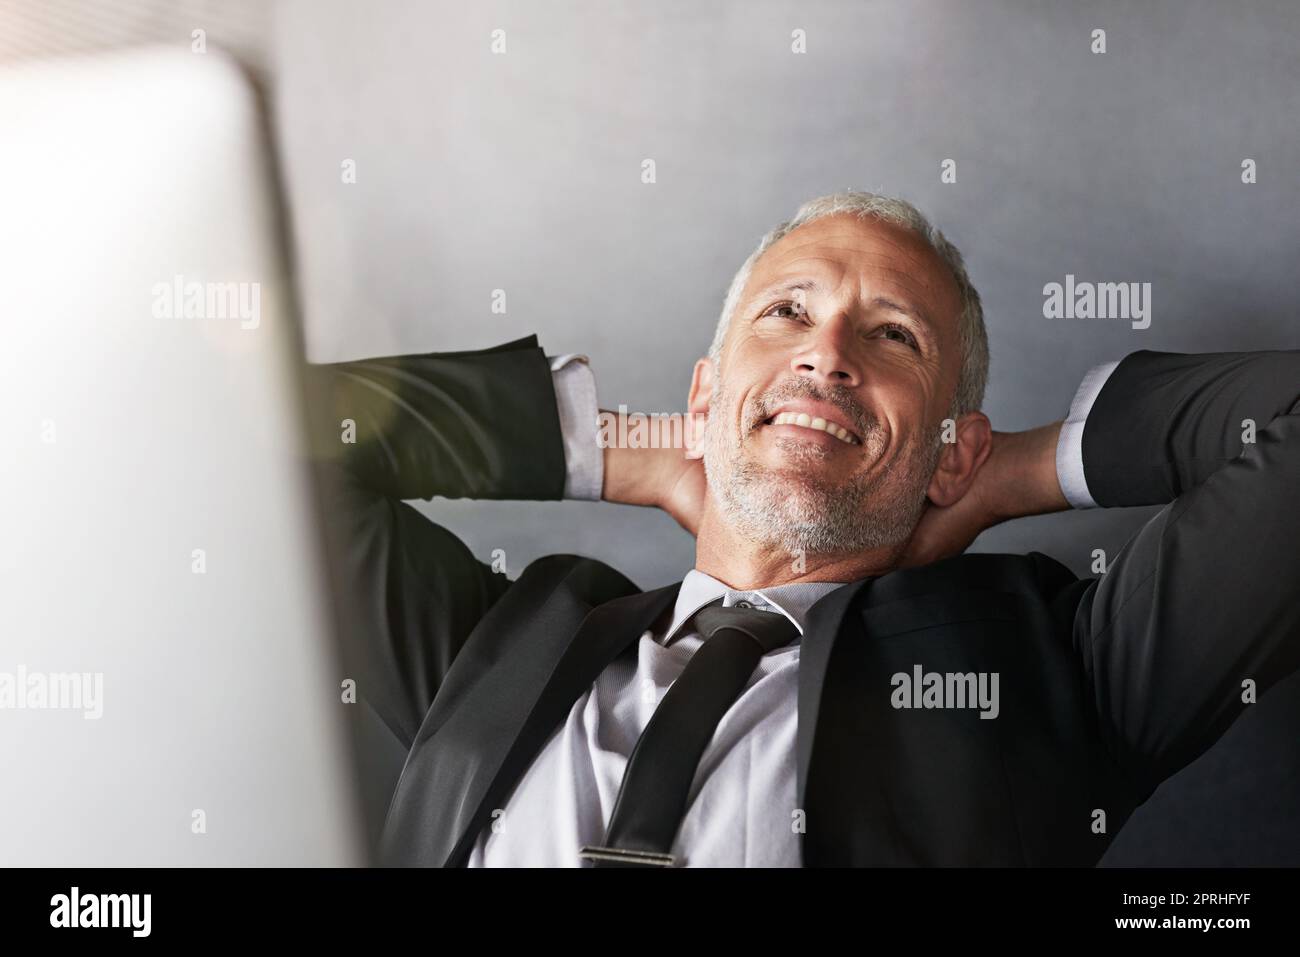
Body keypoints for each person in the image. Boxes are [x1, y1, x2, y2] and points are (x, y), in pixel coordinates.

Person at [304, 191, 1300, 867]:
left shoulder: (1063, 670)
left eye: (893, 335)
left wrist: (1014, 472)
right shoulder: (505, 648)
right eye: (786, 312)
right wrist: (618, 449)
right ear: (705, 397)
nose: (826, 354)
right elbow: (262, 443)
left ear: (952, 449)